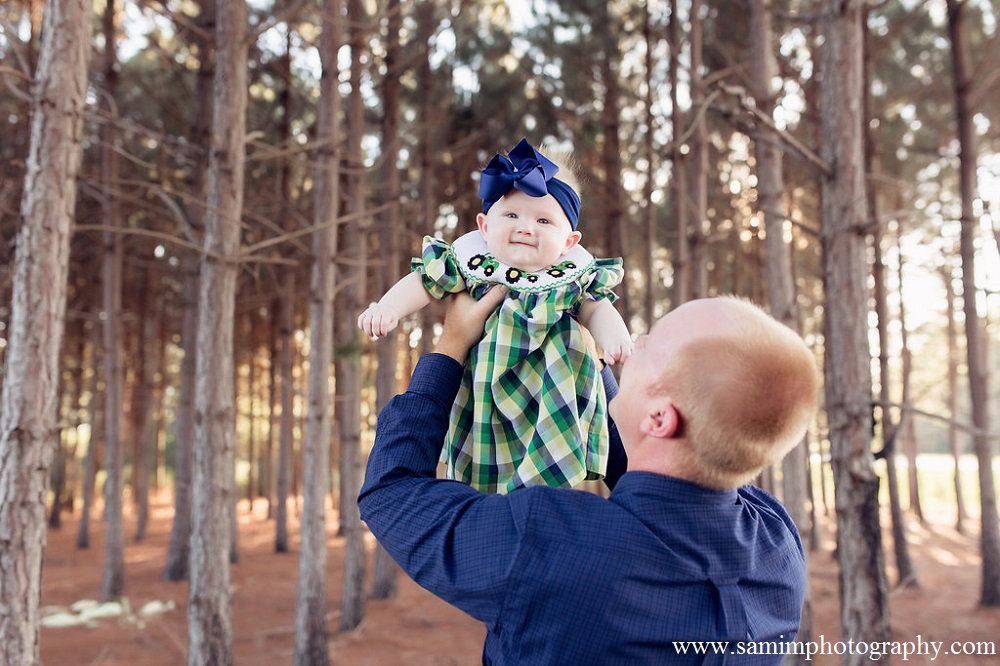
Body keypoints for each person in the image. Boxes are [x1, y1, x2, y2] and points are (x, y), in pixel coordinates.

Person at [358, 290, 819, 664]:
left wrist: (451, 345)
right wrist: (581, 350)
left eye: (650, 346)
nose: (632, 343)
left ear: (660, 417)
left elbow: (390, 491)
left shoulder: (549, 543)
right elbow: (652, 468)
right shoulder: (778, 547)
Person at [358, 138, 632, 494]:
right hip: (485, 397)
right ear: (484, 226)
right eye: (512, 214)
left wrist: (615, 339)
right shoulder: (473, 265)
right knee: (484, 463)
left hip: (553, 395)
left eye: (544, 220)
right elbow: (423, 282)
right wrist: (388, 307)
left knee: (546, 475)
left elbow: (597, 308)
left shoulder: (570, 278)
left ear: (569, 242)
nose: (526, 227)